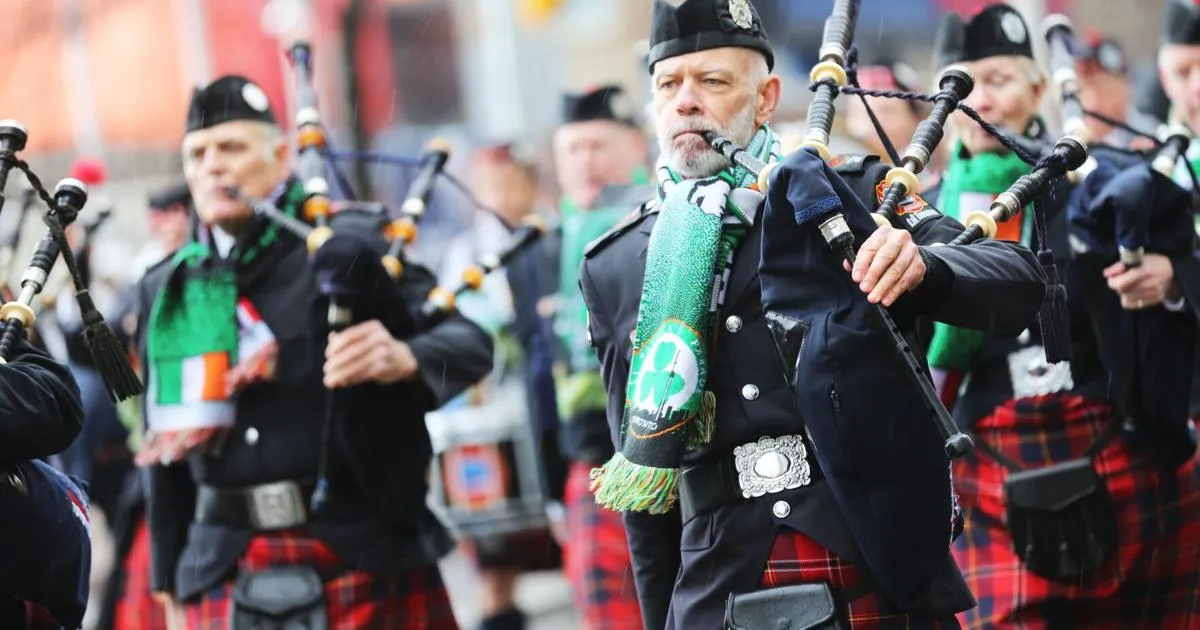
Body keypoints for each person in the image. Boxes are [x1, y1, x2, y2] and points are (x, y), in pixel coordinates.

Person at [578, 0, 1049, 627]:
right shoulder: (616, 265)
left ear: (766, 97)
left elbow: (1017, 281)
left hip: (871, 554)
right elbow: (646, 477)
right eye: (669, 84)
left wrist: (925, 268)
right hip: (717, 583)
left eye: (713, 81)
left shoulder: (850, 194)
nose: (686, 101)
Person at [138, 75, 494, 629]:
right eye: (197, 154)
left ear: (281, 156)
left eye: (231, 148)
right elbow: (162, 449)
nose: (212, 166)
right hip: (222, 562)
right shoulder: (168, 288)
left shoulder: (350, 246)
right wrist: (167, 579)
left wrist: (404, 358)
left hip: (362, 547)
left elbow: (469, 345)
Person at [926, 4, 1200, 628]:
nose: (981, 100)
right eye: (961, 84)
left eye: (997, 80)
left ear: (1038, 89)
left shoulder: (1100, 182)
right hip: (983, 456)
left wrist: (1170, 278)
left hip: (1110, 442)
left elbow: (1182, 262)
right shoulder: (913, 206)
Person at [508, 84, 651, 629]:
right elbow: (537, 374)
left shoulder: (672, 221)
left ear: (637, 147)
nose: (585, 161)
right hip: (591, 463)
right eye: (572, 149)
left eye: (599, 145)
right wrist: (550, 490)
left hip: (678, 453)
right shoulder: (537, 252)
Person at [436, 142, 561, 630]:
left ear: (531, 185)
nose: (501, 196)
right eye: (489, 187)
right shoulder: (466, 252)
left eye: (510, 183)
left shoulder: (553, 236)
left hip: (547, 407)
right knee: (494, 561)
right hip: (493, 416)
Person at [841, 59, 946, 189]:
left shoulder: (939, 181)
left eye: (887, 112)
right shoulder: (836, 173)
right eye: (859, 113)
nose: (871, 125)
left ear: (917, 119)